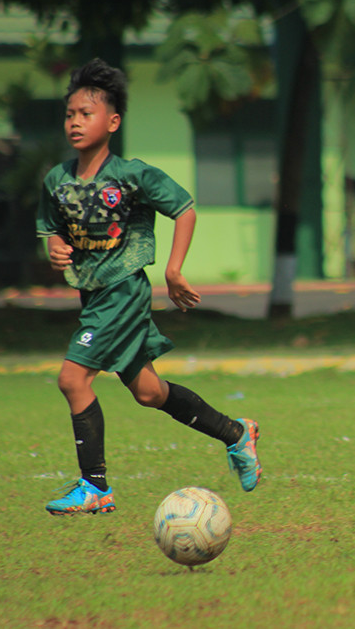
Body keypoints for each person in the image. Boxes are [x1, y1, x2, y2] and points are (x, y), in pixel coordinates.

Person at [35, 59, 262, 515]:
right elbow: (50, 230)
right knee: (149, 393)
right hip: (94, 295)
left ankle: (95, 487)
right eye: (69, 114)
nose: (75, 122)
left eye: (86, 113)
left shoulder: (132, 175)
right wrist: (55, 248)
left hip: (123, 292)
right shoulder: (57, 181)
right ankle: (237, 434)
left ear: (112, 121)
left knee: (72, 378)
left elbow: (185, 208)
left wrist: (174, 270)